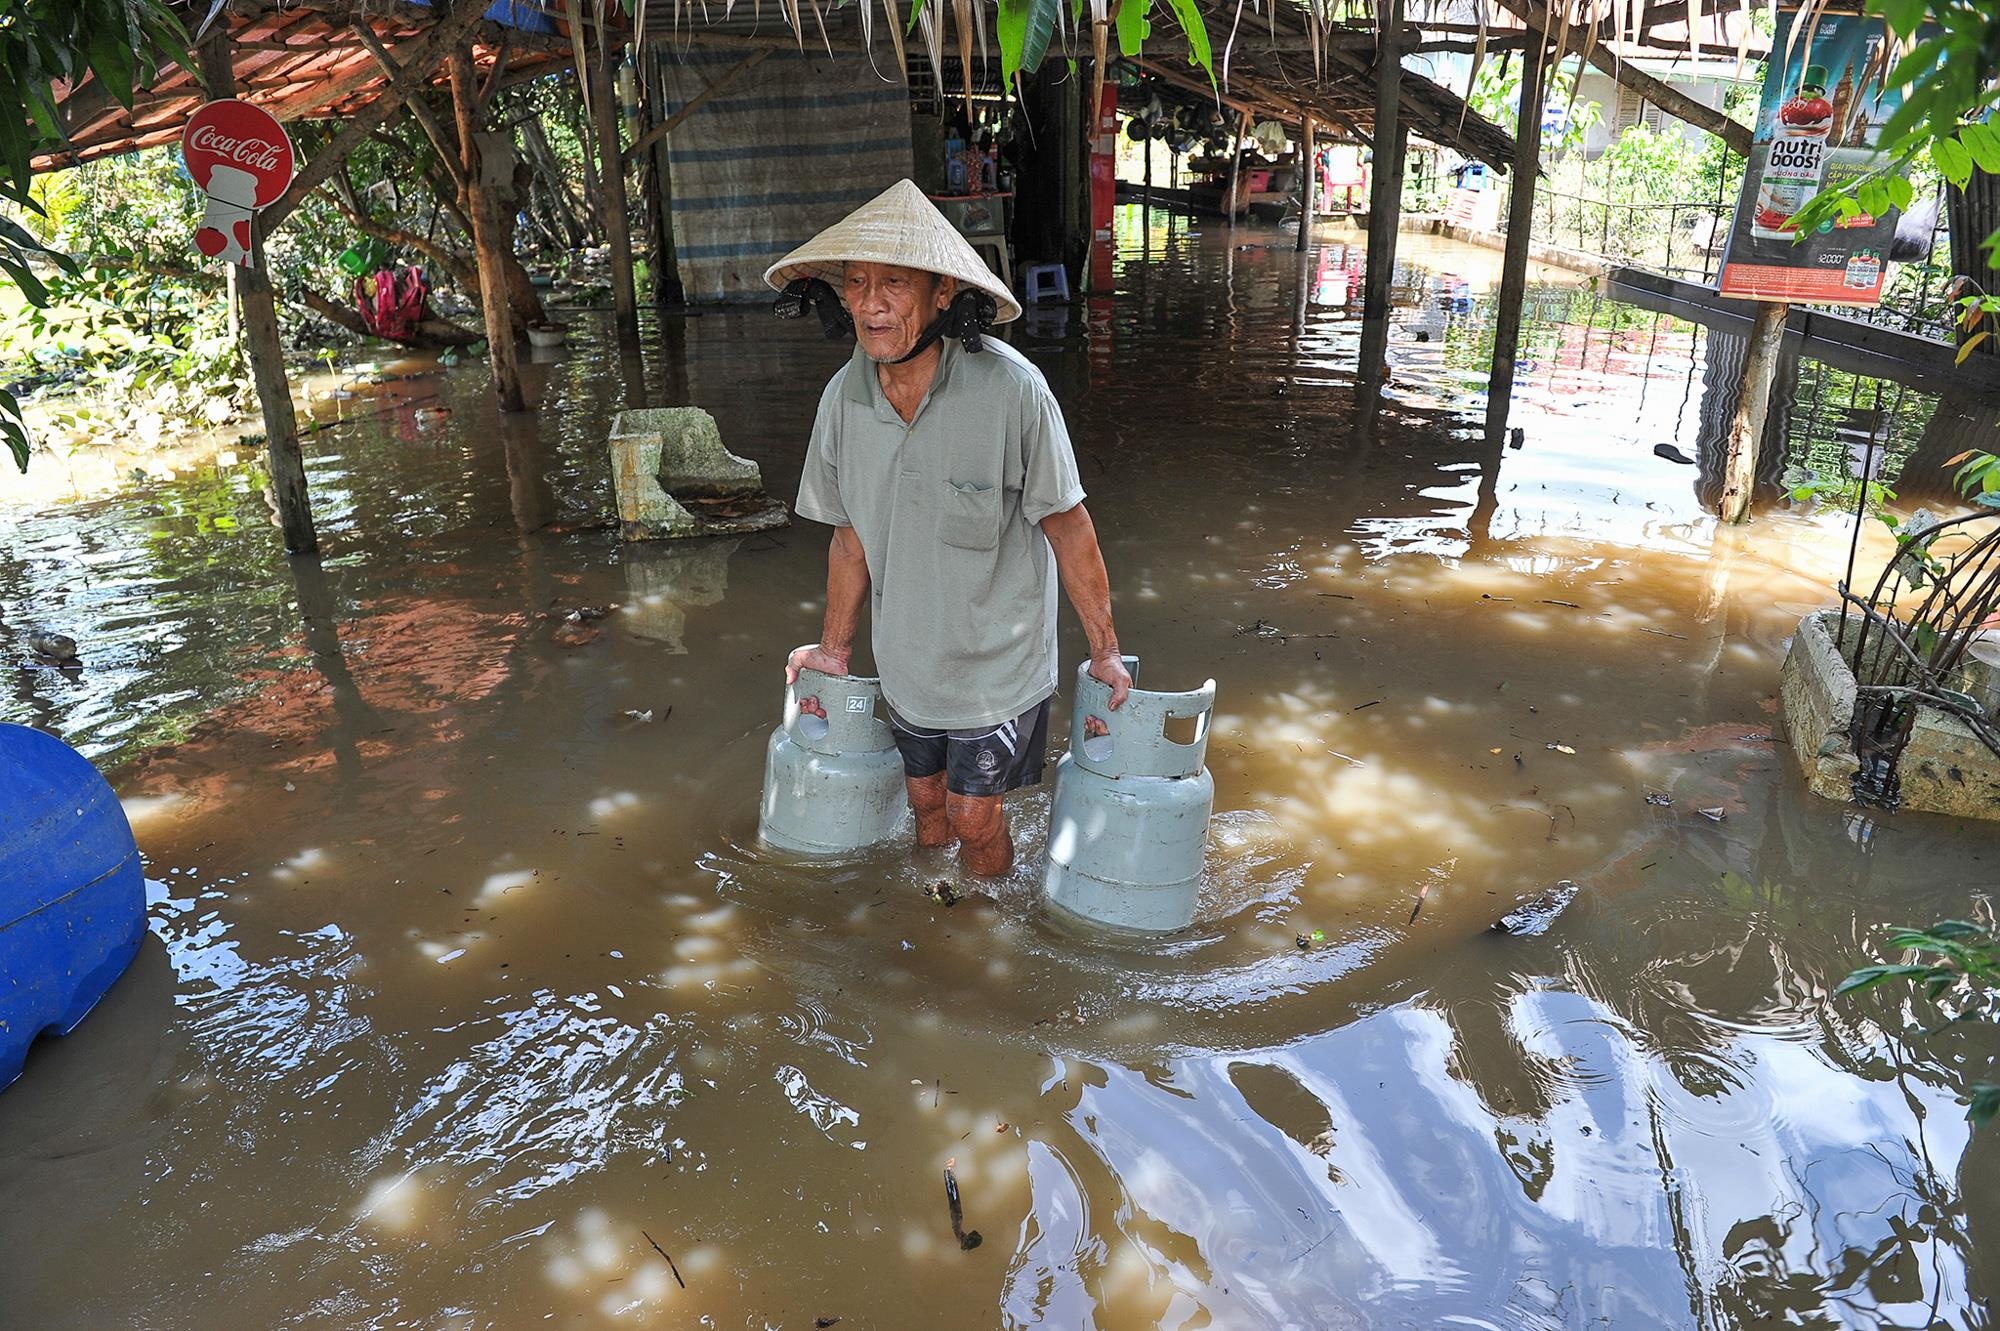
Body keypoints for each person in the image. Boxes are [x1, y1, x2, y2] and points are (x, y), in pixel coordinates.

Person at [764, 179, 1130, 876]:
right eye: (858, 282)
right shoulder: (843, 399)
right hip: (909, 667)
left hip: (998, 667)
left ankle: (986, 929)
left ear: (942, 295)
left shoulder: (1012, 390)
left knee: (971, 815)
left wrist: (1106, 650)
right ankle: (940, 912)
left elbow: (1068, 524)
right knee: (926, 807)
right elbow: (850, 537)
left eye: (894, 283)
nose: (871, 302)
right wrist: (835, 650)